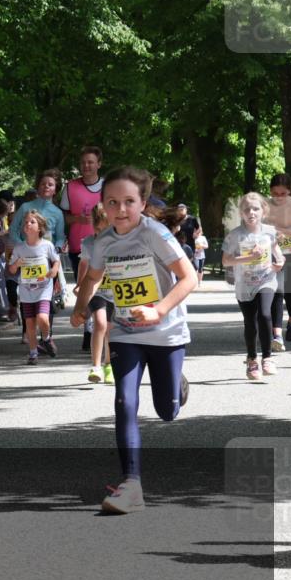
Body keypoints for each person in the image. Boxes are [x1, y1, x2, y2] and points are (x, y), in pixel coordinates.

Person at [71, 167, 197, 515]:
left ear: (142, 203)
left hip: (165, 331)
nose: (121, 209)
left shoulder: (155, 234)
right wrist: (81, 307)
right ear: (103, 205)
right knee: (125, 401)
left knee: (166, 410)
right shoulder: (102, 242)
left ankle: (177, 386)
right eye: (113, 202)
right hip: (126, 331)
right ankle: (131, 483)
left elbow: (188, 278)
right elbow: (93, 277)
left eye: (129, 201)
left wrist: (158, 310)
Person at [222, 193, 285, 380]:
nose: (251, 212)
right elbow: (226, 261)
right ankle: (252, 359)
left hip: (266, 280)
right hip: (245, 285)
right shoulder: (234, 236)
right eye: (247, 209)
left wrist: (279, 262)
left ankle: (267, 358)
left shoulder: (270, 232)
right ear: (241, 212)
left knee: (265, 314)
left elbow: (277, 253)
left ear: (263, 211)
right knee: (250, 322)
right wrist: (249, 258)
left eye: (256, 208)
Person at [8, 211, 61, 364]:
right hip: (26, 290)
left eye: (32, 222)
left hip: (44, 288)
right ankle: (33, 353)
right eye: (26, 222)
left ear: (40, 228)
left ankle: (46, 339)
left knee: (43, 318)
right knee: (30, 324)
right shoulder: (19, 248)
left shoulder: (47, 245)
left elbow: (56, 261)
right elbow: (11, 270)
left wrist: (54, 270)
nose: (27, 225)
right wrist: (16, 264)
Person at [77, 204, 114, 384]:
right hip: (97, 292)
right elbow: (84, 265)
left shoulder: (121, 243)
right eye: (98, 229)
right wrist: (79, 284)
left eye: (106, 229)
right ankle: (96, 366)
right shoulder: (89, 243)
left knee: (110, 329)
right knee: (99, 324)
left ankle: (108, 364)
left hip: (116, 293)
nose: (101, 234)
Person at [60, 146, 104, 277]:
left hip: (105, 246)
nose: (86, 165)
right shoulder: (70, 187)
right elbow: (62, 218)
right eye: (83, 162)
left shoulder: (108, 186)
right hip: (78, 248)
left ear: (99, 164)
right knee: (82, 290)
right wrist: (77, 219)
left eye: (90, 162)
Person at [265, 174, 291, 345]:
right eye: (275, 193)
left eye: (283, 193)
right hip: (273, 253)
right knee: (278, 291)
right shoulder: (266, 207)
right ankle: (276, 335)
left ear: (289, 191)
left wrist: (280, 229)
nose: (279, 197)